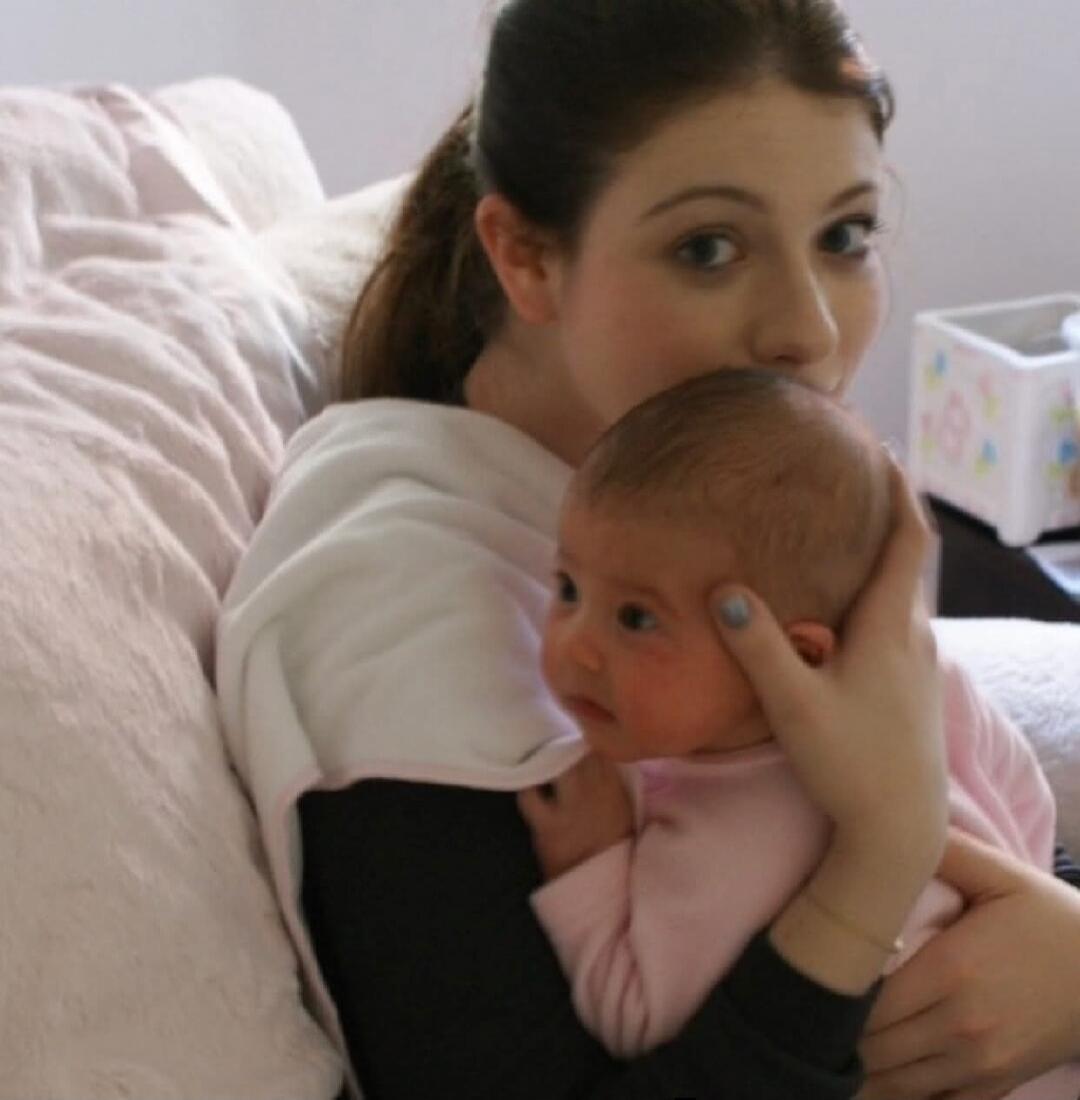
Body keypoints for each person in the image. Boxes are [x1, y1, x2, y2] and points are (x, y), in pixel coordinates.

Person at [218, 2, 1080, 1098]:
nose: (810, 330)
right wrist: (877, 858)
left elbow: (958, 806)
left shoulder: (716, 490)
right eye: (708, 248)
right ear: (524, 256)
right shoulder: (400, 612)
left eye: (845, 237)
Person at [518, 367, 1079, 1099]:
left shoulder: (720, 852)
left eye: (637, 619)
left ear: (799, 652)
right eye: (567, 588)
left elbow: (637, 1020)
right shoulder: (928, 688)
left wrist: (592, 864)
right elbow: (1027, 808)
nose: (576, 647)